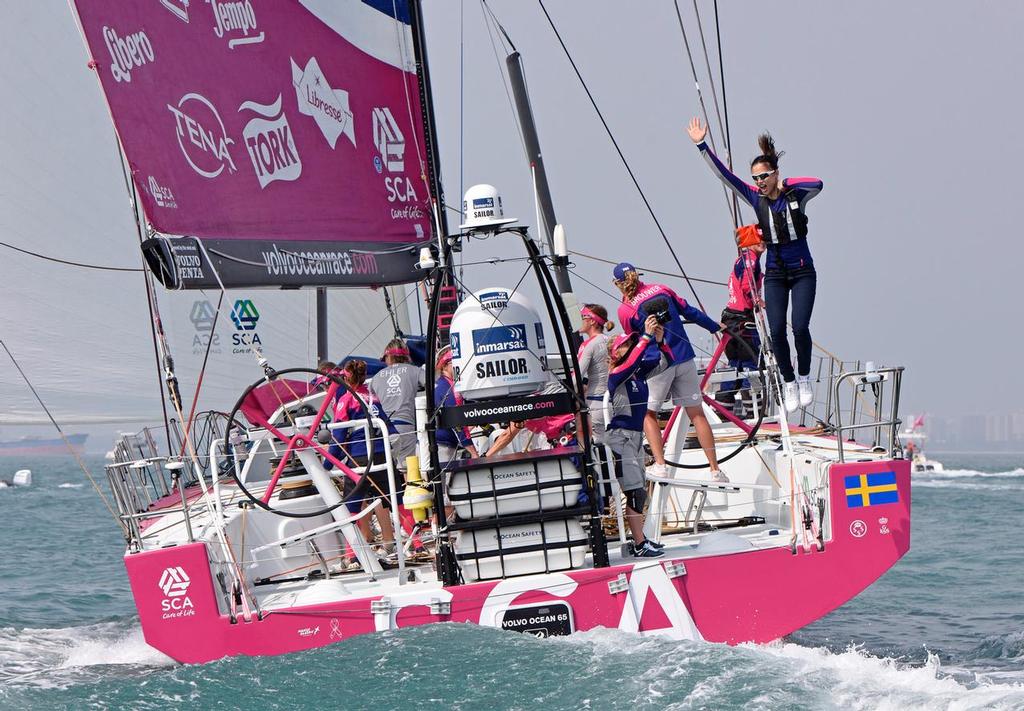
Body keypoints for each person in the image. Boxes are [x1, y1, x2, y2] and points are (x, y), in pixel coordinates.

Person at [687, 118, 823, 411]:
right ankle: (788, 383)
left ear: (775, 174)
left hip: (802, 272)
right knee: (776, 331)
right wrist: (701, 145)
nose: (759, 182)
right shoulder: (754, 198)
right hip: (775, 273)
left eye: (764, 177)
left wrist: (786, 183)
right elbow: (725, 177)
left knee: (799, 327)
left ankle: (803, 378)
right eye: (756, 178)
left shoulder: (794, 194)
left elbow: (818, 184)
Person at [613, 262, 727, 481]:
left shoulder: (624, 310)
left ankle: (660, 464)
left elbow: (634, 342)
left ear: (618, 284)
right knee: (697, 413)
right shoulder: (662, 289)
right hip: (685, 358)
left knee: (648, 413)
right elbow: (690, 311)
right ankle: (715, 470)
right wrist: (715, 327)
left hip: (658, 364)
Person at [605, 316, 671, 558]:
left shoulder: (636, 374)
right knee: (634, 492)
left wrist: (659, 340)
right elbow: (633, 360)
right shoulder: (617, 373)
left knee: (640, 491)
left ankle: (641, 540)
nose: (631, 346)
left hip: (634, 437)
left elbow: (664, 362)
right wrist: (644, 337)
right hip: (621, 439)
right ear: (615, 353)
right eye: (626, 344)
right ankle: (640, 544)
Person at [324, 359, 395, 552]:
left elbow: (338, 437)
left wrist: (327, 465)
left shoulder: (346, 399)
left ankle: (352, 554)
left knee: (351, 508)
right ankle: (416, 544)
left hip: (360, 458)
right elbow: (389, 426)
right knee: (396, 500)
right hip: (382, 454)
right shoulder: (373, 396)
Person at [368, 337, 426, 543]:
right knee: (409, 476)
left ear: (387, 357)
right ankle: (415, 527)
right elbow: (434, 386)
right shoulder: (414, 371)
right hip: (406, 428)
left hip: (382, 431)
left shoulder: (375, 378)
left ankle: (400, 525)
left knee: (389, 480)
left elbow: (372, 406)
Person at [720, 228, 765, 416]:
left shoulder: (741, 259)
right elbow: (748, 286)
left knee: (735, 365)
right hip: (743, 320)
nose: (762, 242)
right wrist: (758, 302)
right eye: (758, 239)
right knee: (753, 366)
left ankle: (723, 412)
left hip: (731, 320)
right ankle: (755, 415)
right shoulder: (750, 259)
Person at [433, 345, 479, 462]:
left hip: (438, 444)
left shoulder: (442, 384)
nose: (460, 365)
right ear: (444, 365)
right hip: (442, 447)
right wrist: (473, 452)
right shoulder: (447, 388)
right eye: (455, 362)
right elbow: (457, 423)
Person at [577, 304, 615, 443]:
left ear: (592, 321)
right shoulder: (613, 341)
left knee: (593, 450)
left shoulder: (588, 344)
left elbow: (576, 377)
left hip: (596, 404)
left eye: (582, 317)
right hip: (617, 403)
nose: (578, 321)